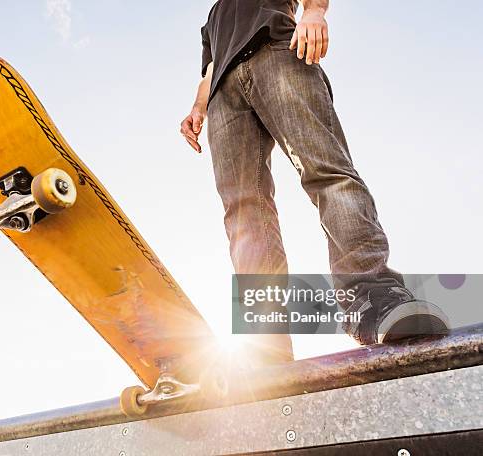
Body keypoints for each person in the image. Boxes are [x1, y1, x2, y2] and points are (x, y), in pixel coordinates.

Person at [180, 0, 448, 362]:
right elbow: (210, 68)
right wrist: (199, 106)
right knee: (243, 212)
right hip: (223, 96)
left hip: (277, 51)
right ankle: (265, 340)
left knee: (327, 171)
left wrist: (314, 13)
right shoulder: (214, 16)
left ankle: (374, 298)